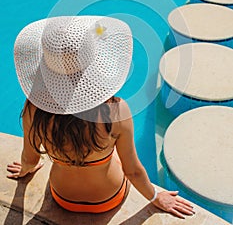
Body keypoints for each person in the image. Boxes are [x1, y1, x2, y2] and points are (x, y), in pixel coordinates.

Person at [7, 16, 194, 219]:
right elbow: (133, 171)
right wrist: (156, 196)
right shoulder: (115, 112)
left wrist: (27, 168)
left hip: (62, 196)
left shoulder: (34, 110)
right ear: (95, 66)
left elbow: (29, 159)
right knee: (109, 152)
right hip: (108, 198)